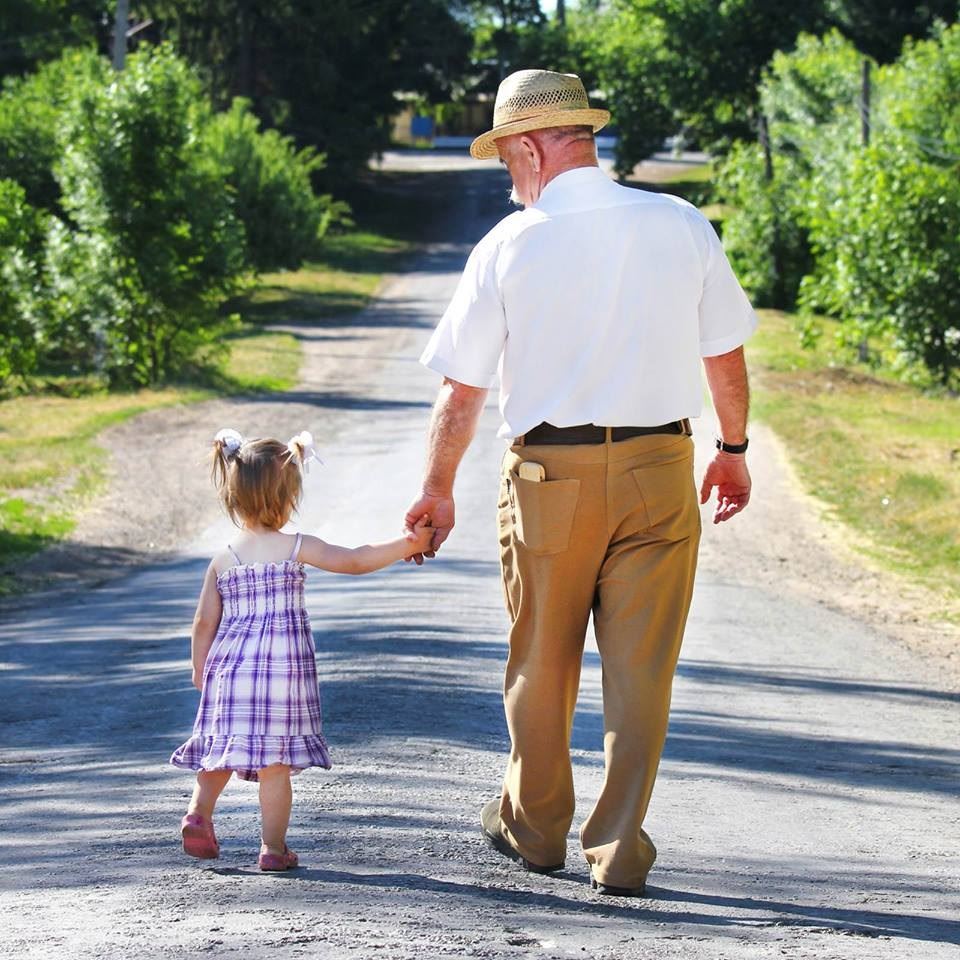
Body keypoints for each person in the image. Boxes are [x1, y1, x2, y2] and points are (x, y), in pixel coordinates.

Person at [404, 69, 756, 897]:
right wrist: (732, 448)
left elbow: (462, 391)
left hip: (547, 475)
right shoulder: (679, 222)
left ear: (529, 146)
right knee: (643, 667)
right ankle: (619, 846)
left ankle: (534, 830)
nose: (507, 175)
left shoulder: (509, 244)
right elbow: (725, 352)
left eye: (505, 157)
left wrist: (437, 489)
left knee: (542, 656)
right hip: (661, 467)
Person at [171, 428, 433, 871]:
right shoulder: (296, 547)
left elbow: (203, 623)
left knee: (220, 748)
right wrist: (409, 543)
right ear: (289, 496)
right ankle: (273, 849)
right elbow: (355, 559)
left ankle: (199, 813)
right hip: (280, 675)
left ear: (233, 497)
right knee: (275, 764)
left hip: (229, 672)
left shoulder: (224, 558)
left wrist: (201, 671)